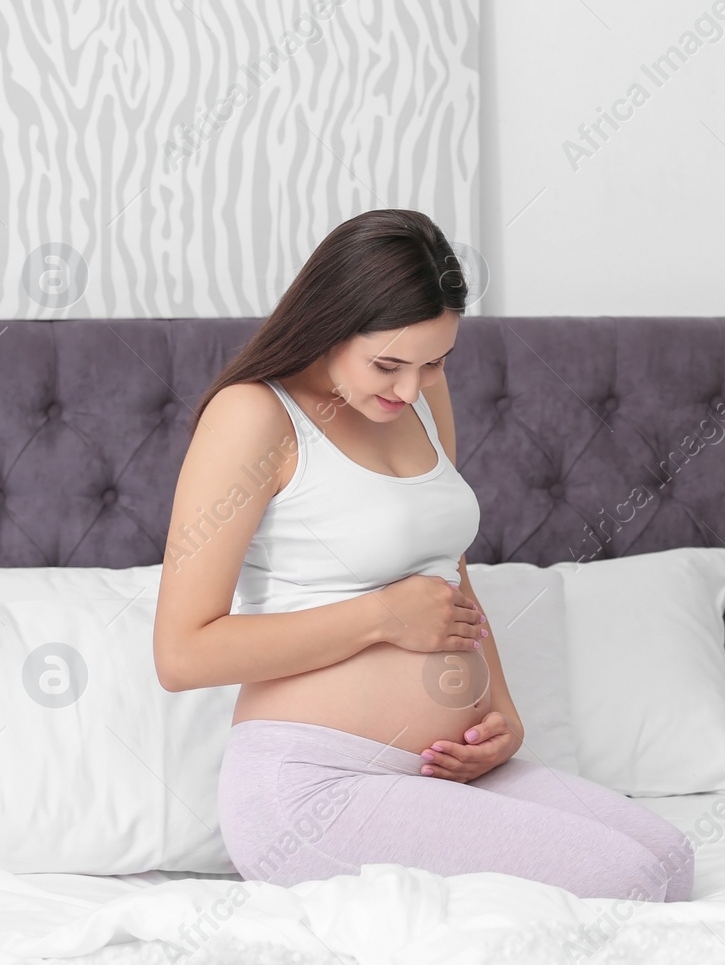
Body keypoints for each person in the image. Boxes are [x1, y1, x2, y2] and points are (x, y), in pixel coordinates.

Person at [152, 208, 693, 902]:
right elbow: (182, 653)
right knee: (631, 879)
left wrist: (503, 712)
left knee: (668, 857)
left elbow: (447, 566)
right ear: (329, 324)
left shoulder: (421, 396)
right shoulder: (255, 415)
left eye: (435, 361)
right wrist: (379, 617)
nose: (410, 388)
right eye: (388, 364)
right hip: (315, 784)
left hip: (438, 770)